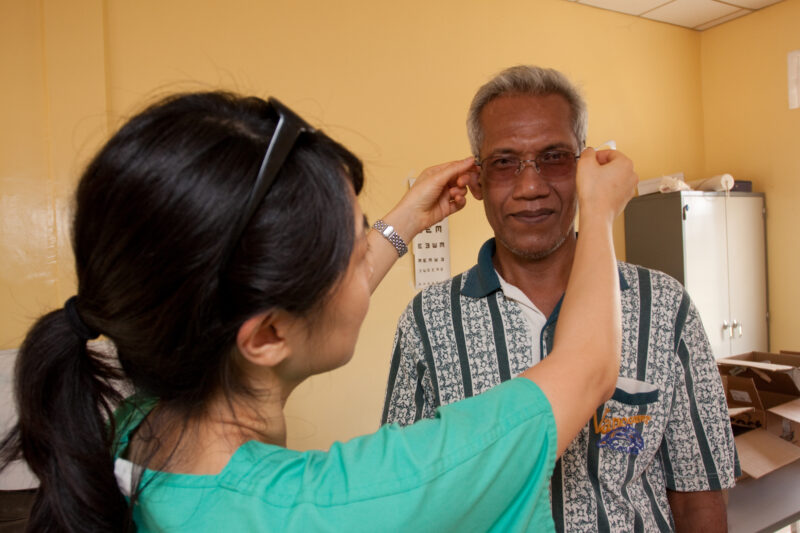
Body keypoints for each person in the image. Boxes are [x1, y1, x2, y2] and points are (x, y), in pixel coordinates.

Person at [0, 90, 636, 532]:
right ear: (268, 334)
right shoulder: (350, 502)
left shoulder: (138, 430)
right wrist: (601, 211)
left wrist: (405, 220)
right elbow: (586, 368)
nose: (368, 254)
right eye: (353, 247)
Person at [381, 65, 739, 533]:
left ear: (585, 167)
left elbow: (699, 494)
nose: (531, 188)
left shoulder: (664, 307)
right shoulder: (429, 322)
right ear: (477, 180)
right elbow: (406, 496)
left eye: (553, 158)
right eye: (505, 162)